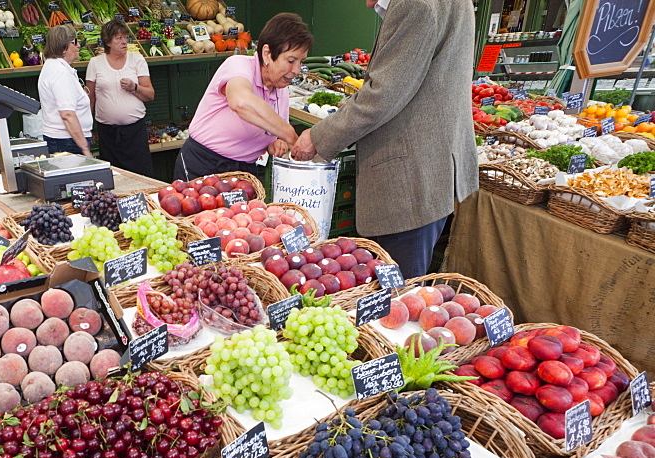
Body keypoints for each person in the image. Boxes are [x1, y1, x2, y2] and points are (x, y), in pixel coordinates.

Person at [291, 0, 477, 278]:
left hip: (408, 179)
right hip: (432, 169)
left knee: (396, 293)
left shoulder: (415, 5)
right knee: (404, 289)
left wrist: (319, 136)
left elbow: (383, 96)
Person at [173, 12, 312, 181]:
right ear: (267, 53)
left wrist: (275, 142)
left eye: (301, 62)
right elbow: (241, 102)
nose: (296, 70)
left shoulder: (280, 88)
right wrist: (288, 134)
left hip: (244, 172)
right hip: (204, 164)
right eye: (291, 61)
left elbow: (270, 127)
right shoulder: (238, 65)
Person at [85, 19, 155, 176]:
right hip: (107, 133)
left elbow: (150, 94)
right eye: (119, 38)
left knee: (141, 175)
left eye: (125, 38)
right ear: (108, 42)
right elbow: (90, 98)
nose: (124, 42)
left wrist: (134, 87)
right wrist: (87, 127)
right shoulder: (95, 63)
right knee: (114, 177)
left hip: (135, 132)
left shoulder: (137, 60)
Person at [38, 24, 92, 156]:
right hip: (67, 142)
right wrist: (84, 147)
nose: (78, 45)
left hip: (65, 140)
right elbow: (67, 114)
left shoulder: (54, 67)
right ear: (63, 48)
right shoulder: (60, 73)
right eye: (74, 42)